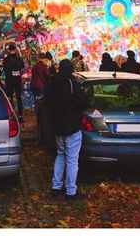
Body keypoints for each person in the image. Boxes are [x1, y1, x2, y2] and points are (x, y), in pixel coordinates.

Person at [45, 59, 89, 200]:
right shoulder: (72, 84)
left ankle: (56, 186)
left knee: (60, 155)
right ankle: (71, 191)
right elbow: (83, 103)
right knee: (72, 159)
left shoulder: (52, 84)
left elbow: (47, 102)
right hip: (72, 126)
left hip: (57, 126)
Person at [2, 43, 26, 122]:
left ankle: (11, 115)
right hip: (17, 80)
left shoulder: (6, 59)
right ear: (15, 50)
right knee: (19, 98)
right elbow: (22, 66)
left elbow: (4, 68)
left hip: (9, 80)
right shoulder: (19, 59)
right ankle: (20, 116)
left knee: (9, 98)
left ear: (8, 50)